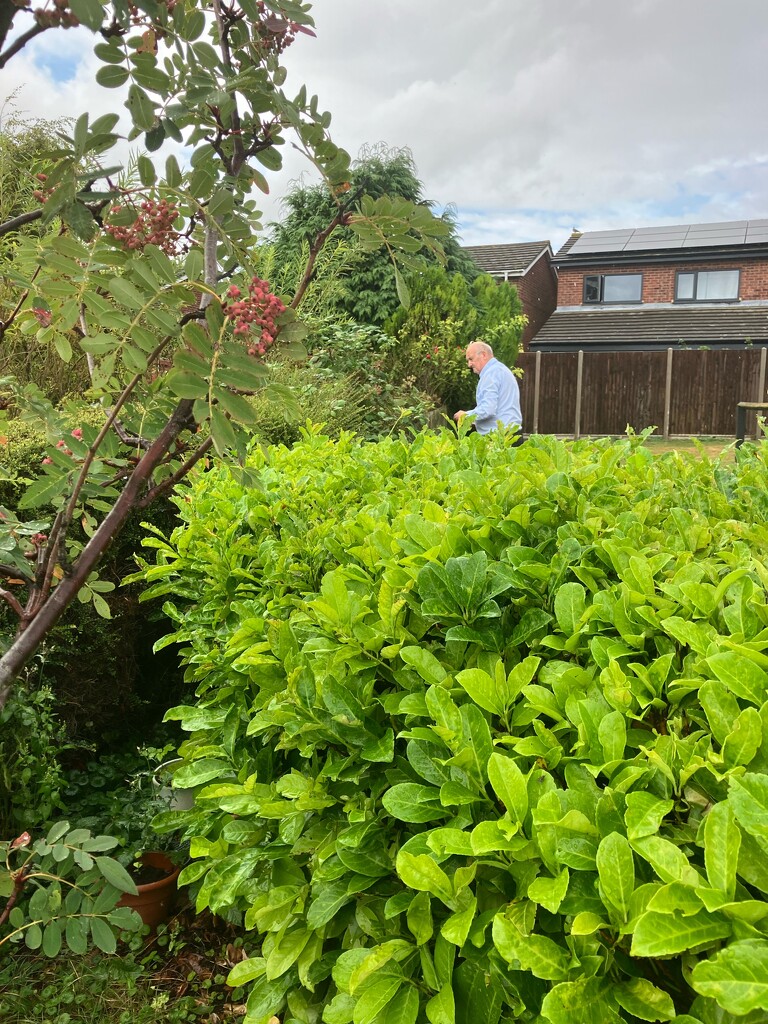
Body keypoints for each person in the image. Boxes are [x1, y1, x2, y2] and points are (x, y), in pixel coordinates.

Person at [453, 341, 523, 439]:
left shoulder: (490, 374)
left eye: (471, 359)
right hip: (511, 435)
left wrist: (466, 415)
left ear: (483, 355)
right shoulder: (501, 370)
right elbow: (499, 409)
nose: (469, 364)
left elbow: (488, 409)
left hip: (500, 438)